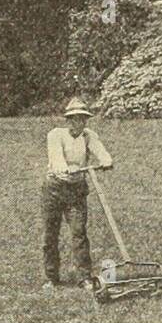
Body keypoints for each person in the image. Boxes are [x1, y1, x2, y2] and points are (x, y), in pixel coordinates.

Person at [41, 97, 113, 290]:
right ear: (68, 120)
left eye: (82, 119)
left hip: (77, 190)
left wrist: (106, 160)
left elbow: (100, 151)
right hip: (55, 188)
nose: (78, 123)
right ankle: (52, 277)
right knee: (50, 234)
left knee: (79, 232)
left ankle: (84, 276)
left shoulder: (89, 136)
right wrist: (63, 168)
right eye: (74, 118)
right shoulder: (56, 135)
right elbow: (55, 156)